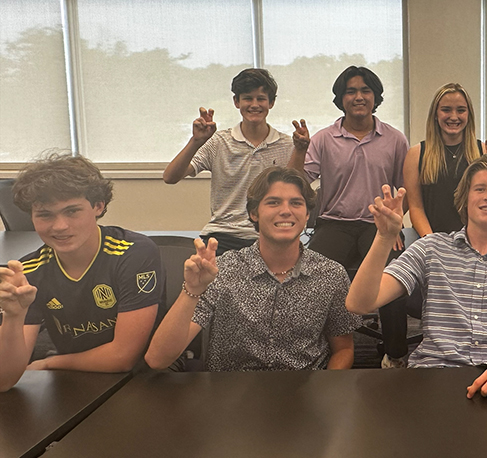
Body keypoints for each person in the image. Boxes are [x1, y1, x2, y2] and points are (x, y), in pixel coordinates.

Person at [346, 155, 487, 399]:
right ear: (465, 199)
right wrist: (384, 237)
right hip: (433, 378)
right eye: (480, 189)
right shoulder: (431, 248)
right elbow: (359, 304)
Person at [145, 167, 361, 371]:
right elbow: (157, 360)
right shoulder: (223, 271)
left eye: (296, 203)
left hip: (306, 389)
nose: (286, 211)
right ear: (254, 213)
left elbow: (343, 349)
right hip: (230, 390)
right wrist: (192, 290)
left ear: (307, 215)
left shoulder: (331, 274)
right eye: (273, 202)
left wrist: (326, 389)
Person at [0, 153, 161, 392]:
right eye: (45, 215)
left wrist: (50, 363)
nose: (60, 226)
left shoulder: (132, 253)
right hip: (73, 380)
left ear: (98, 206)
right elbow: (4, 381)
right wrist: (13, 316)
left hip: (144, 380)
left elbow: (123, 357)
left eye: (72, 211)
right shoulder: (29, 271)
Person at [287, 65, 410, 369]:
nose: (358, 97)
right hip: (334, 224)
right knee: (306, 275)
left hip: (378, 225)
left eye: (365, 90)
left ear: (375, 97)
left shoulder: (395, 139)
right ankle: (305, 351)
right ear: (340, 99)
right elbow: (295, 182)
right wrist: (300, 150)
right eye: (351, 91)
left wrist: (394, 227)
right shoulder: (323, 139)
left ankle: (395, 354)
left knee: (395, 274)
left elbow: (404, 191)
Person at [163, 68, 306, 255]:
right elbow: (170, 177)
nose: (254, 105)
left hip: (268, 235)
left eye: (261, 99)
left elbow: (295, 189)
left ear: (271, 103)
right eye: (247, 98)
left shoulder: (287, 144)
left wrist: (300, 151)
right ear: (236, 102)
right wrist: (196, 141)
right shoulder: (219, 141)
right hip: (222, 235)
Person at [404, 83, 487, 237]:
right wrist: (432, 242)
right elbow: (416, 208)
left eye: (461, 110)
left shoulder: (484, 152)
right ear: (435, 114)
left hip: (475, 239)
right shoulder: (416, 154)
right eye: (446, 110)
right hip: (431, 238)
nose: (454, 116)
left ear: (469, 115)